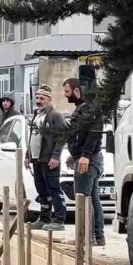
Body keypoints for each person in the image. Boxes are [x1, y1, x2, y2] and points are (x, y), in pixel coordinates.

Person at [64, 78, 106, 246]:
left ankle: (86, 237)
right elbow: (81, 135)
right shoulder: (85, 108)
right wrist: (74, 155)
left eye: (67, 92)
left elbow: (94, 133)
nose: (65, 95)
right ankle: (97, 237)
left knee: (83, 199)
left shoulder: (88, 108)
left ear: (76, 91)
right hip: (88, 158)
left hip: (89, 160)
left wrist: (85, 155)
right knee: (92, 198)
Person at [26, 85, 67, 231]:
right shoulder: (36, 115)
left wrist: (55, 156)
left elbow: (62, 136)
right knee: (41, 189)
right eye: (37, 98)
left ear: (49, 99)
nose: (38, 101)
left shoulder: (54, 116)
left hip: (49, 159)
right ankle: (44, 217)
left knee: (53, 188)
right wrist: (28, 155)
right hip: (37, 159)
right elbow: (32, 137)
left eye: (42, 98)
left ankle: (59, 219)